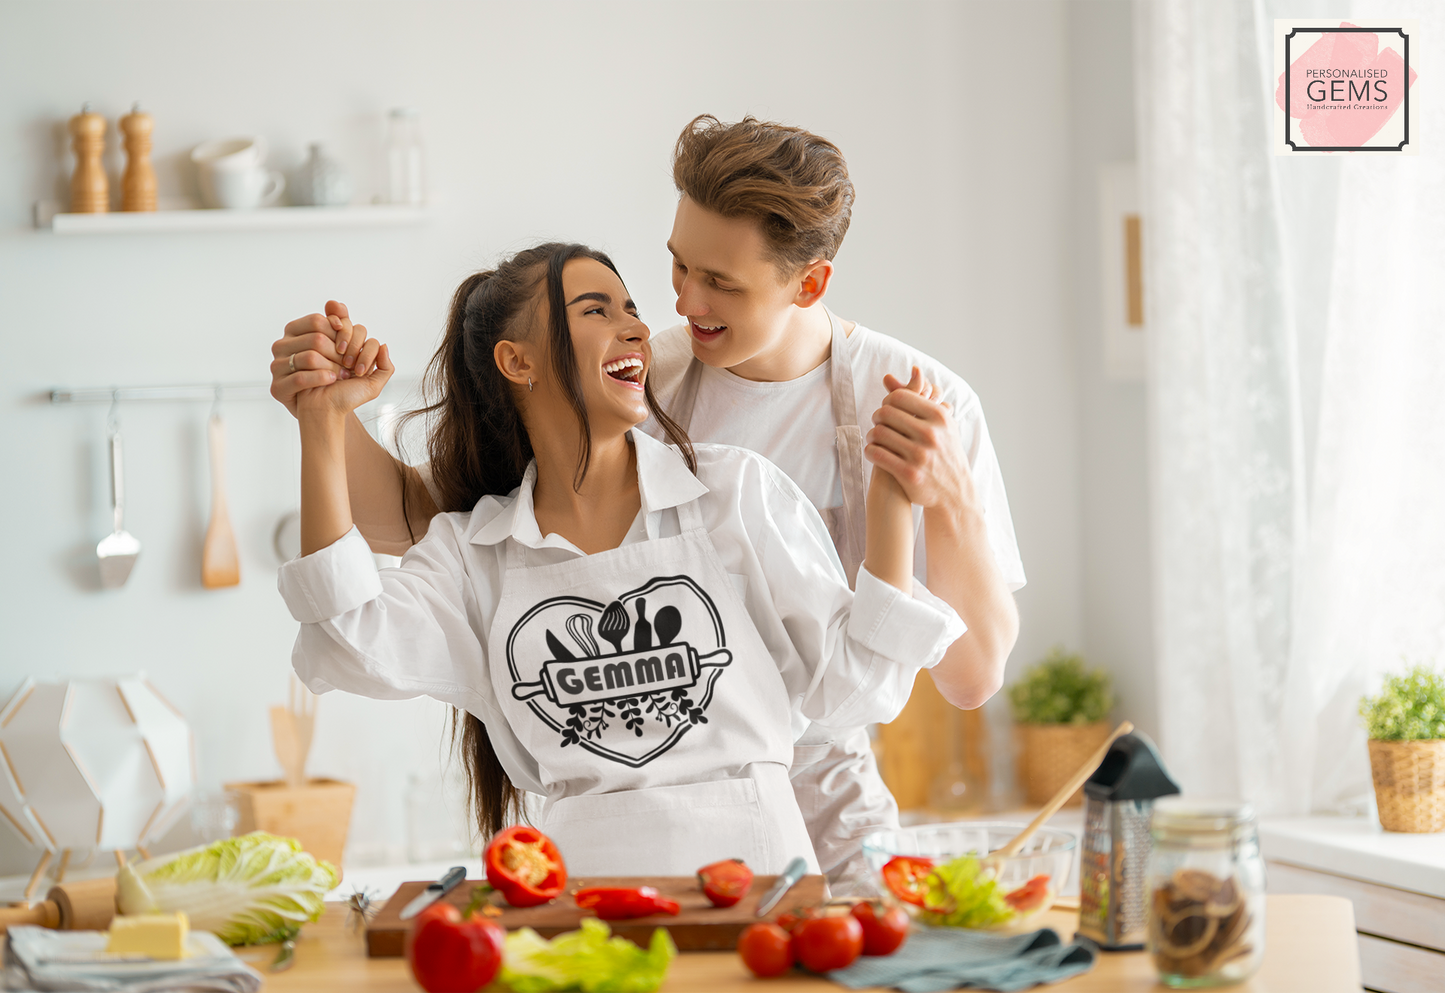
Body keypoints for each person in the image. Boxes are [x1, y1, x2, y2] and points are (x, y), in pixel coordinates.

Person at [270, 116, 1023, 887]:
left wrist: (939, 497)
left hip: (822, 802)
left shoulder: (915, 406)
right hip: (607, 841)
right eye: (676, 267)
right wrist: (327, 414)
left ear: (809, 282)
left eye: (721, 282)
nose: (683, 304)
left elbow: (965, 678)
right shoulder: (636, 375)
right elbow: (433, 524)